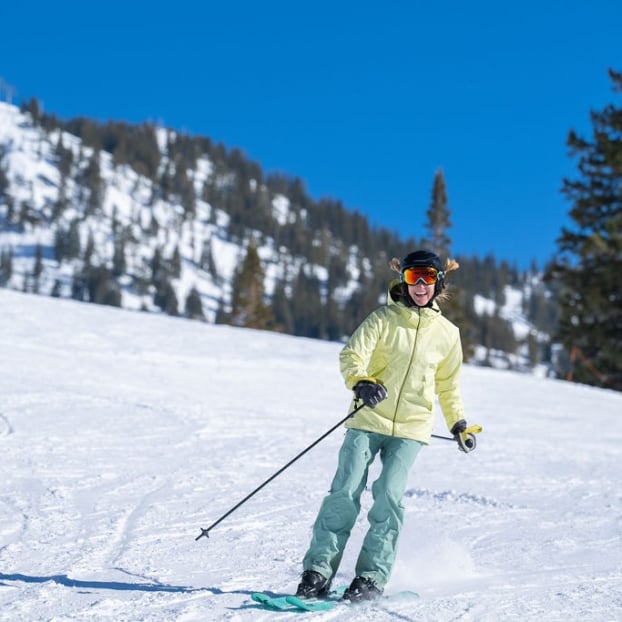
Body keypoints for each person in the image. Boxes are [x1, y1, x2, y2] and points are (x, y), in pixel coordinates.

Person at [296, 249, 477, 602]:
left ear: (439, 282)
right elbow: (352, 355)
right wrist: (360, 381)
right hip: (367, 418)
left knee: (389, 499)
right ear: (403, 280)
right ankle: (317, 572)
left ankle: (370, 578)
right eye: (413, 277)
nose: (420, 285)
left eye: (427, 277)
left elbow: (448, 384)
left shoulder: (447, 334)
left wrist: (458, 424)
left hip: (411, 428)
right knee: (345, 491)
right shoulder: (382, 318)